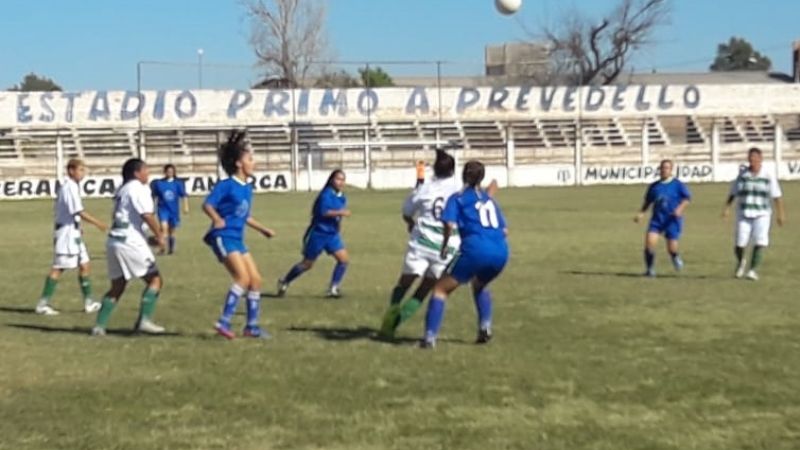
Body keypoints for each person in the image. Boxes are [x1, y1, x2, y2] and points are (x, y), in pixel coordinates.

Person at [421, 160, 509, 349]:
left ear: (463, 176)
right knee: (480, 284)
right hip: (501, 252)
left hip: (475, 250)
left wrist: (445, 245)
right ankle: (485, 327)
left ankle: (429, 338)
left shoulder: (458, 198)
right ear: (481, 177)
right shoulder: (489, 200)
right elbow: (505, 230)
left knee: (440, 290)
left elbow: (449, 223)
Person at [203, 131, 275, 339]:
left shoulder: (247, 188)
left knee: (256, 280)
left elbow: (245, 216)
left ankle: (251, 327)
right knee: (242, 278)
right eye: (250, 159)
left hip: (237, 237)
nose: (254, 163)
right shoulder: (226, 185)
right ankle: (223, 322)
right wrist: (216, 218)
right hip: (222, 236)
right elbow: (207, 204)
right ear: (238, 164)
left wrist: (263, 229)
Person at [379, 150, 459, 338]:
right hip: (446, 246)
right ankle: (396, 323)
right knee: (425, 289)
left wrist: (410, 223)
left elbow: (407, 211)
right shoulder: (459, 189)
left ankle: (390, 320)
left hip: (422, 243)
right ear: (453, 170)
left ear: (434, 169)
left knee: (404, 283)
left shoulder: (424, 188)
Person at [92, 158, 167, 336]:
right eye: (145, 170)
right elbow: (147, 215)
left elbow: (129, 221)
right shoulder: (138, 188)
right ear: (136, 173)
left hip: (115, 241)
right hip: (129, 242)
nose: (148, 173)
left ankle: (99, 326)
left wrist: (148, 239)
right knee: (155, 280)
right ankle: (144, 321)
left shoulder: (122, 189)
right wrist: (160, 235)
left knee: (117, 285)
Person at [35, 159, 108, 316]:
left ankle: (89, 302)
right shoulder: (69, 187)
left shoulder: (73, 187)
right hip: (66, 234)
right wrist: (98, 223)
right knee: (59, 267)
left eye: (84, 170)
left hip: (73, 232)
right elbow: (78, 211)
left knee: (85, 264)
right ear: (71, 171)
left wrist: (79, 227)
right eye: (80, 170)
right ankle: (42, 304)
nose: (83, 173)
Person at [277, 170, 350, 298]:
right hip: (318, 233)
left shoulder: (342, 196)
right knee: (307, 264)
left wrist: (338, 225)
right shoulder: (325, 194)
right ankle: (285, 281)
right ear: (332, 179)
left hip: (332, 235)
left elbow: (338, 216)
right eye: (338, 179)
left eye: (343, 179)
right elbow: (323, 212)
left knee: (343, 260)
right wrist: (340, 213)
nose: (340, 182)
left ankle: (333, 288)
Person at [722, 147, 786, 280]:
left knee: (760, 241)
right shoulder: (743, 175)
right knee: (740, 244)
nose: (753, 160)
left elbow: (777, 196)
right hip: (743, 212)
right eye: (751, 158)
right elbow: (733, 192)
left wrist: (780, 214)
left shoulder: (768, 175)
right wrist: (727, 208)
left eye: (756, 158)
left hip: (762, 213)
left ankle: (752, 270)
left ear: (761, 159)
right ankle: (741, 262)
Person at [633, 159, 691, 277]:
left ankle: (675, 256)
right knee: (649, 244)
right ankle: (650, 270)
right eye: (662, 168)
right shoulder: (654, 186)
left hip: (672, 220)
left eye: (667, 168)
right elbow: (647, 202)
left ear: (671, 170)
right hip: (657, 220)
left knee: (671, 248)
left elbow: (687, 199)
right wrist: (641, 213)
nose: (664, 170)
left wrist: (679, 209)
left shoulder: (678, 185)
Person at [151, 164, 189, 255]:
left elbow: (184, 195)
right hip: (163, 210)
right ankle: (162, 248)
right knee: (163, 229)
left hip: (174, 211)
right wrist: (152, 207)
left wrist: (186, 206)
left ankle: (171, 248)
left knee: (171, 232)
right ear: (165, 172)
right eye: (168, 171)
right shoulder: (159, 183)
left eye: (171, 171)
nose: (170, 173)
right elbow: (153, 196)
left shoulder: (178, 183)